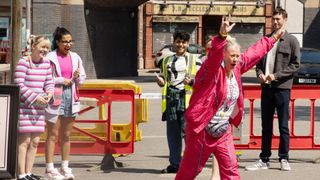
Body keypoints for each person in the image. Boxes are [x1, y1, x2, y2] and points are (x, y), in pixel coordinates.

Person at [175, 15, 285, 180]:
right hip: (202, 131)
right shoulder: (210, 70)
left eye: (237, 56)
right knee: (189, 172)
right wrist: (221, 36)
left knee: (231, 171)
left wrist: (274, 37)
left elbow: (254, 53)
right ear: (223, 56)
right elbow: (213, 56)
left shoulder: (237, 68)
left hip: (222, 131)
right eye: (232, 55)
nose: (236, 59)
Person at [245, 7, 300, 171]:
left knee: (283, 125)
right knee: (266, 125)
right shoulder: (266, 40)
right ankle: (264, 159)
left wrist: (276, 76)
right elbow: (258, 63)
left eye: (278, 19)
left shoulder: (291, 41)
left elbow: (295, 65)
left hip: (282, 88)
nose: (275, 22)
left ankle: (284, 158)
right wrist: (260, 74)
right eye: (273, 19)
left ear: (285, 19)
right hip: (266, 88)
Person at [156, 30, 202, 173]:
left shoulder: (196, 60)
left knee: (188, 134)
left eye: (183, 42)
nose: (180, 44)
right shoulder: (166, 60)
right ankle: (175, 164)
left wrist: (193, 81)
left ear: (187, 44)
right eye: (178, 42)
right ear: (174, 42)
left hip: (187, 100)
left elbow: (203, 80)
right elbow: (164, 79)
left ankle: (192, 164)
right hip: (171, 99)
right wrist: (161, 81)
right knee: (173, 134)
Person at [44, 27, 86, 180]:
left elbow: (82, 80)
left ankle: (65, 167)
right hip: (55, 96)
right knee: (53, 134)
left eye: (70, 41)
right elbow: (46, 78)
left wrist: (77, 77)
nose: (68, 45)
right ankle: (49, 168)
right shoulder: (50, 57)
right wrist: (62, 80)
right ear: (57, 42)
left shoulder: (75, 57)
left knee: (67, 135)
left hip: (71, 96)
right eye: (64, 42)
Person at [14, 35, 54, 180]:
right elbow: (18, 83)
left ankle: (29, 172)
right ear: (34, 46)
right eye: (43, 46)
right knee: (24, 141)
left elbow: (49, 82)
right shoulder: (24, 62)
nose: (45, 50)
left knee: (35, 141)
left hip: (38, 108)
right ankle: (21, 173)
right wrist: (34, 96)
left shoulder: (47, 64)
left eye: (48, 48)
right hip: (24, 107)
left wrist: (49, 93)